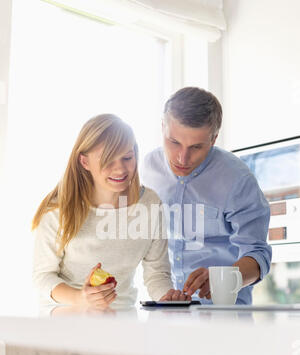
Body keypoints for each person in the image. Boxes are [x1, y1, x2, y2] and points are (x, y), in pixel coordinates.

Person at [32, 114, 190, 316]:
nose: (121, 169)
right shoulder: (59, 210)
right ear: (85, 162)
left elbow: (157, 273)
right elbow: (43, 276)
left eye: (127, 158)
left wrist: (167, 298)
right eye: (108, 160)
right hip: (65, 318)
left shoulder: (149, 203)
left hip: (122, 318)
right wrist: (81, 298)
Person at [141, 87, 272, 304]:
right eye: (174, 143)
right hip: (164, 310)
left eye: (196, 147)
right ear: (163, 127)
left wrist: (226, 279)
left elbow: (258, 255)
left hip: (224, 313)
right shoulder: (147, 168)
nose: (183, 158)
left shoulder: (237, 180)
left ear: (213, 139)